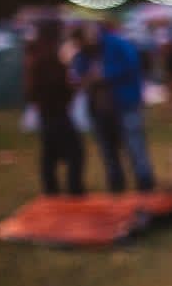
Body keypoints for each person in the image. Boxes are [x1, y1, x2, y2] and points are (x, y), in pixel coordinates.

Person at [71, 20, 155, 193]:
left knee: (134, 145)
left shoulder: (117, 44)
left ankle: (144, 182)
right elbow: (79, 72)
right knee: (108, 149)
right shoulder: (83, 53)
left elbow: (132, 64)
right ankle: (116, 184)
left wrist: (106, 74)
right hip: (99, 107)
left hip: (125, 103)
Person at [24, 19, 84, 196]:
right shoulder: (48, 57)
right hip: (55, 111)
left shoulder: (35, 56)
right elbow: (57, 85)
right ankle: (73, 190)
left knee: (50, 154)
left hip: (47, 112)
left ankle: (52, 191)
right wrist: (70, 88)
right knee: (74, 153)